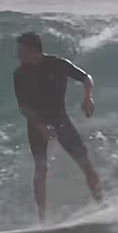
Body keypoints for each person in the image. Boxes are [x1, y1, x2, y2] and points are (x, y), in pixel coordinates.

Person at [12, 32, 104, 222]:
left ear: (33, 51)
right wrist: (41, 127)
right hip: (36, 127)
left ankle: (101, 204)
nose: (18, 55)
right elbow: (23, 107)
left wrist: (88, 98)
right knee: (41, 170)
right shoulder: (20, 74)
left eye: (21, 51)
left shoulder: (57, 64)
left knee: (85, 164)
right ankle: (43, 220)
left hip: (61, 122)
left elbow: (86, 78)